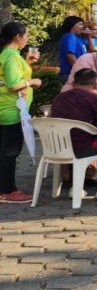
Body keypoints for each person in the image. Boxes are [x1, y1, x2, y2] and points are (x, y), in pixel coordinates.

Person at [49, 69, 97, 200]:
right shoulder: (96, 99)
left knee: (76, 138)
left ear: (73, 82)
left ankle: (75, 186)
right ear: (95, 85)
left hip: (57, 147)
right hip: (85, 148)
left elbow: (50, 119)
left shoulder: (59, 97)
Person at [0, 22, 41, 203]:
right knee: (9, 152)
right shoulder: (10, 56)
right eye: (26, 35)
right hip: (11, 111)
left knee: (6, 151)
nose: (27, 39)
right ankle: (8, 191)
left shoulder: (12, 55)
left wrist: (27, 62)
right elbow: (13, 84)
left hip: (9, 109)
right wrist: (32, 82)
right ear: (18, 37)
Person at [58, 16, 90, 83]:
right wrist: (81, 71)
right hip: (71, 74)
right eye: (80, 24)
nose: (83, 26)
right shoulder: (70, 36)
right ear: (71, 25)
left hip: (77, 73)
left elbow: (93, 51)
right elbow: (70, 55)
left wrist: (88, 37)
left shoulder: (79, 39)